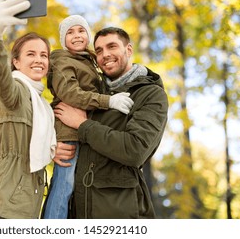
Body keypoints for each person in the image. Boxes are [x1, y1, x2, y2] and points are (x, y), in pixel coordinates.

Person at [53, 27, 169, 218]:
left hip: (120, 211)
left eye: (112, 46)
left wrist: (83, 125)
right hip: (77, 209)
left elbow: (135, 150)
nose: (105, 55)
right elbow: (58, 113)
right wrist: (52, 147)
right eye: (98, 50)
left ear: (128, 50)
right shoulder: (90, 92)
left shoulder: (150, 94)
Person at [0, 0, 56, 219]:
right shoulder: (16, 92)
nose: (39, 59)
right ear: (16, 62)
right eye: (31, 54)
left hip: (23, 213)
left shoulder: (42, 106)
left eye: (44, 55)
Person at [42, 16, 134, 219]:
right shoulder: (62, 60)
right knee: (64, 185)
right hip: (69, 133)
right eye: (70, 32)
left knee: (76, 188)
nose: (77, 36)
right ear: (62, 39)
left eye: (81, 31)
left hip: (84, 131)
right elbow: (70, 94)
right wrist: (108, 102)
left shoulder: (88, 61)